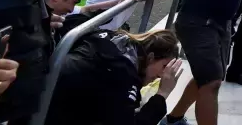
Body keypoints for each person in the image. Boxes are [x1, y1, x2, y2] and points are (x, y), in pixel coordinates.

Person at [45, 28, 184, 125]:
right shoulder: (123, 74)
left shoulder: (112, 38)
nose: (161, 75)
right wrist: (162, 94)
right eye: (164, 67)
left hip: (45, 94)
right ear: (151, 57)